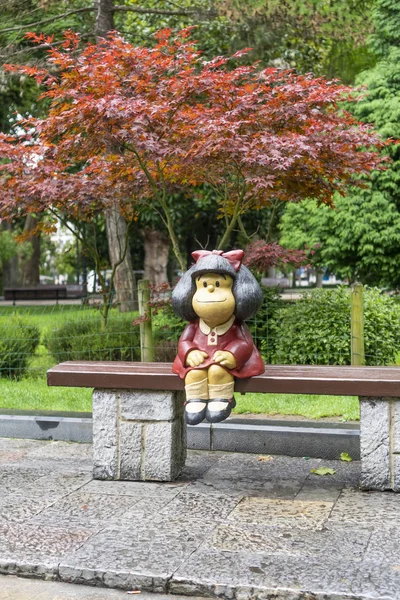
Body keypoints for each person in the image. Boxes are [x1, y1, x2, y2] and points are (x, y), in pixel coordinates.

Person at [172, 249, 265, 425]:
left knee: (217, 371)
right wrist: (190, 352)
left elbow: (245, 343)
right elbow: (184, 341)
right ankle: (195, 399)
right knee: (194, 373)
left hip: (225, 363)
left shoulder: (235, 325)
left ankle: (222, 399)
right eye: (204, 285)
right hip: (200, 360)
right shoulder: (195, 325)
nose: (211, 289)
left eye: (218, 284)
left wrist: (232, 354)